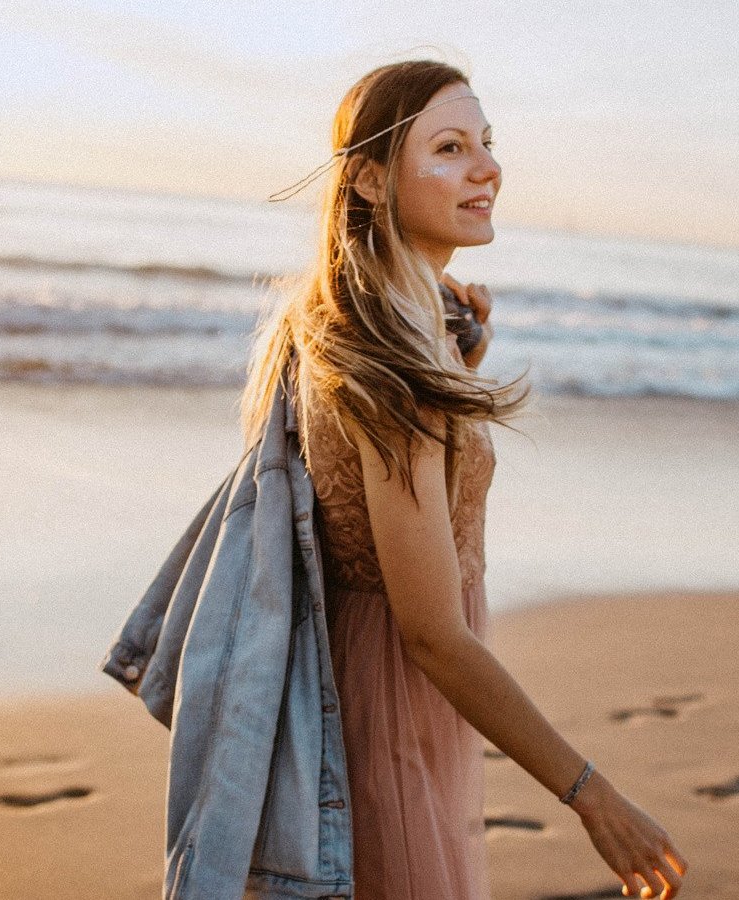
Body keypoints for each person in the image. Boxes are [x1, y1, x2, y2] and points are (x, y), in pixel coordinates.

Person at [239, 59, 689, 900]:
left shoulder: (373, 320)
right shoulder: (394, 365)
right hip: (391, 717)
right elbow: (434, 635)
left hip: (388, 698)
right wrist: (594, 798)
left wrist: (458, 361)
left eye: (486, 143)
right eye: (449, 147)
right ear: (371, 180)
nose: (488, 168)